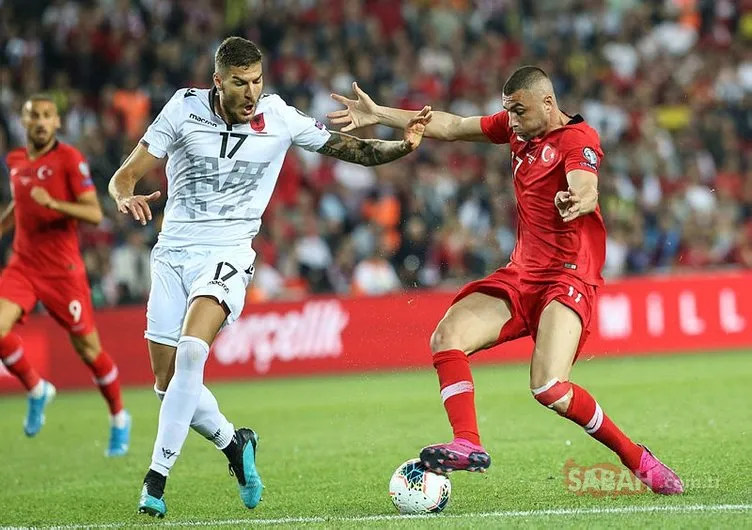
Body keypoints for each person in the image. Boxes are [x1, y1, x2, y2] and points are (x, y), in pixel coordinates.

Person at [108, 36, 432, 518]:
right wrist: (122, 196)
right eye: (240, 83)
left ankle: (155, 480)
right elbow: (124, 175)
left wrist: (401, 147)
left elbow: (353, 150)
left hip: (228, 255)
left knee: (194, 350)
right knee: (166, 382)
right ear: (218, 81)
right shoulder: (182, 109)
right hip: (172, 255)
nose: (251, 92)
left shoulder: (279, 116)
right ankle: (235, 445)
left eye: (257, 81)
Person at [328, 66, 683, 495]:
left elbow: (586, 184)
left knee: (549, 387)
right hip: (521, 276)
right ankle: (468, 443)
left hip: (568, 279)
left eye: (519, 110)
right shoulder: (518, 130)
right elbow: (453, 125)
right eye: (507, 111)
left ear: (548, 104)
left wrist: (580, 199)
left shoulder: (578, 139)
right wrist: (381, 114)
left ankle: (637, 459)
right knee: (447, 337)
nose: (511, 119)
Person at [0, 95, 131, 456]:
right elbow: (18, 206)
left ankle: (119, 416)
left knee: (89, 350)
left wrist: (54, 203)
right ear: (23, 122)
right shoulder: (14, 161)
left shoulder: (70, 160)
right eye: (33, 116)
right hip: (23, 265)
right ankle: (36, 388)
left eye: (46, 116)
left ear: (57, 123)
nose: (40, 122)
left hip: (63, 272)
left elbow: (93, 213)